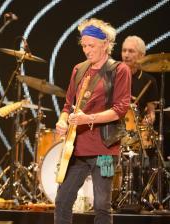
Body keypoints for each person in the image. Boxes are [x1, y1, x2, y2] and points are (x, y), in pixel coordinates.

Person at [54, 18, 131, 224]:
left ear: (105, 44)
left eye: (92, 45)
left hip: (106, 151)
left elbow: (120, 109)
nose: (87, 50)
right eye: (84, 45)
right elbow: (68, 105)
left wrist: (87, 119)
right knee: (62, 201)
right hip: (76, 149)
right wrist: (62, 121)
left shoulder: (119, 70)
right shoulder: (79, 69)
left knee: (102, 205)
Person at [121, 35, 159, 126]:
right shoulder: (111, 75)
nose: (126, 55)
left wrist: (148, 120)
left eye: (131, 51)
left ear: (141, 55)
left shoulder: (149, 81)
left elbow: (151, 113)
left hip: (134, 129)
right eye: (124, 50)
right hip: (111, 127)